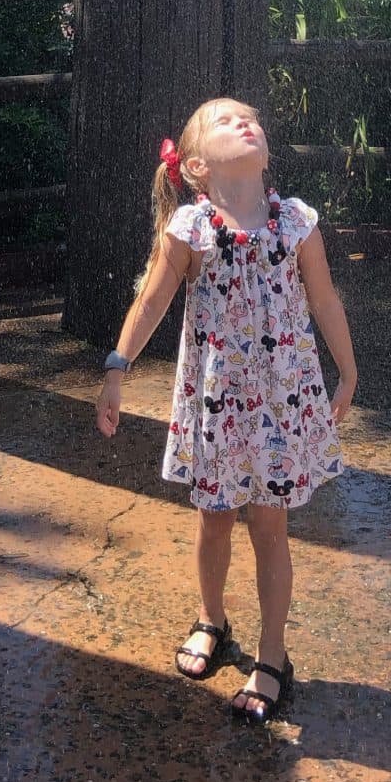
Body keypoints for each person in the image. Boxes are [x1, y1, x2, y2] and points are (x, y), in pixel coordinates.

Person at [95, 97, 358, 724]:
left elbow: (323, 301)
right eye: (226, 121)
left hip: (279, 405)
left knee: (270, 528)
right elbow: (153, 301)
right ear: (194, 167)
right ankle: (211, 618)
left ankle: (273, 653)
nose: (247, 123)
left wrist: (347, 370)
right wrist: (116, 368)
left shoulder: (296, 223)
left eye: (252, 119)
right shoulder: (190, 229)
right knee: (213, 521)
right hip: (216, 408)